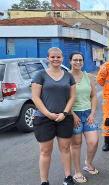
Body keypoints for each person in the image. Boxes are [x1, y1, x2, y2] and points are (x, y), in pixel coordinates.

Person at [31, 47, 76, 185]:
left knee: (65, 148)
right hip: (44, 119)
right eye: (53, 57)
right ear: (48, 58)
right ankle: (44, 181)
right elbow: (35, 97)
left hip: (64, 118)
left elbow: (72, 97)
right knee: (45, 151)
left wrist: (64, 113)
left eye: (58, 57)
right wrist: (48, 114)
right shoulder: (40, 75)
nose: (56, 59)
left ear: (62, 58)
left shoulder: (69, 75)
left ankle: (68, 177)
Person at [69, 52, 99, 183]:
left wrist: (92, 113)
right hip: (72, 114)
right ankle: (77, 171)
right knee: (76, 145)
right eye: (75, 60)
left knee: (93, 141)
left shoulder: (88, 77)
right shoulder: (66, 77)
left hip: (87, 114)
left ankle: (88, 162)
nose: (78, 62)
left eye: (80, 60)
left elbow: (93, 96)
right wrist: (72, 114)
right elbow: (64, 99)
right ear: (70, 61)